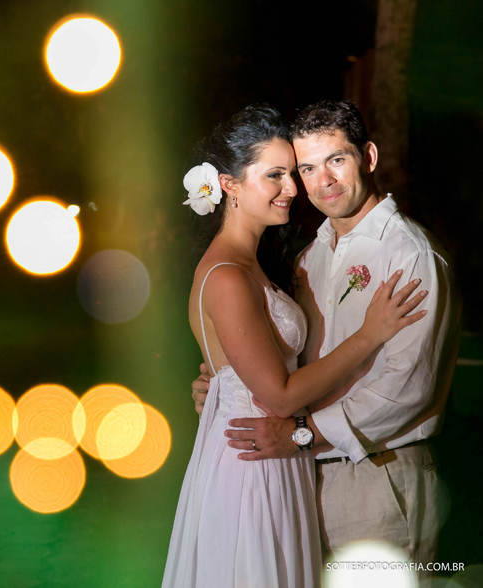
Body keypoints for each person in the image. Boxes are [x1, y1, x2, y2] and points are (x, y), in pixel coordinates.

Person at [189, 100, 460, 582]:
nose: (319, 183)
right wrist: (225, 383)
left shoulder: (410, 255)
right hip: (300, 477)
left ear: (369, 157)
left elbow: (408, 387)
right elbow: (284, 364)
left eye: (337, 160)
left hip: (378, 481)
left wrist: (302, 435)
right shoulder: (308, 258)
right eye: (306, 167)